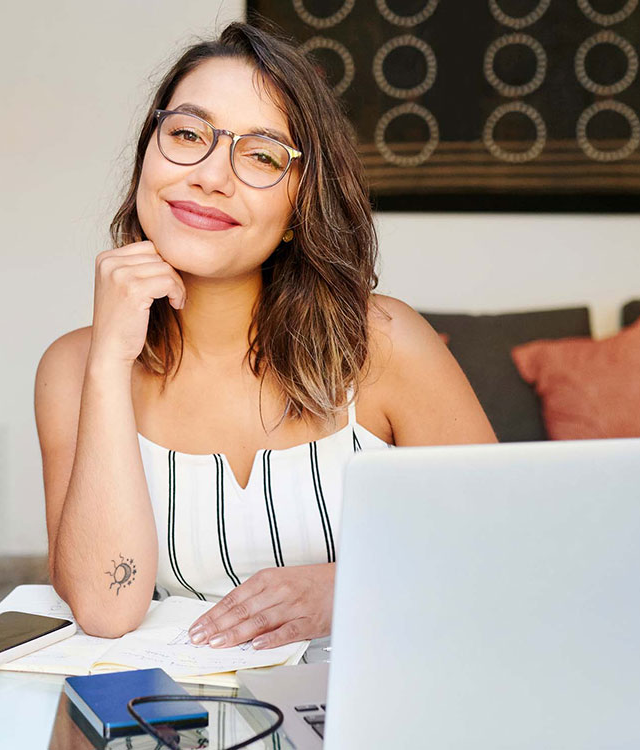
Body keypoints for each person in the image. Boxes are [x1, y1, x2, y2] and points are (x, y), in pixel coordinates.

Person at [34, 21, 496, 649]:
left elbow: (502, 549)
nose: (211, 176)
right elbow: (105, 609)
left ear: (298, 203)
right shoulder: (73, 367)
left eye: (261, 155)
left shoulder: (384, 344)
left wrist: (348, 587)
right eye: (187, 135)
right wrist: (110, 361)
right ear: (147, 157)